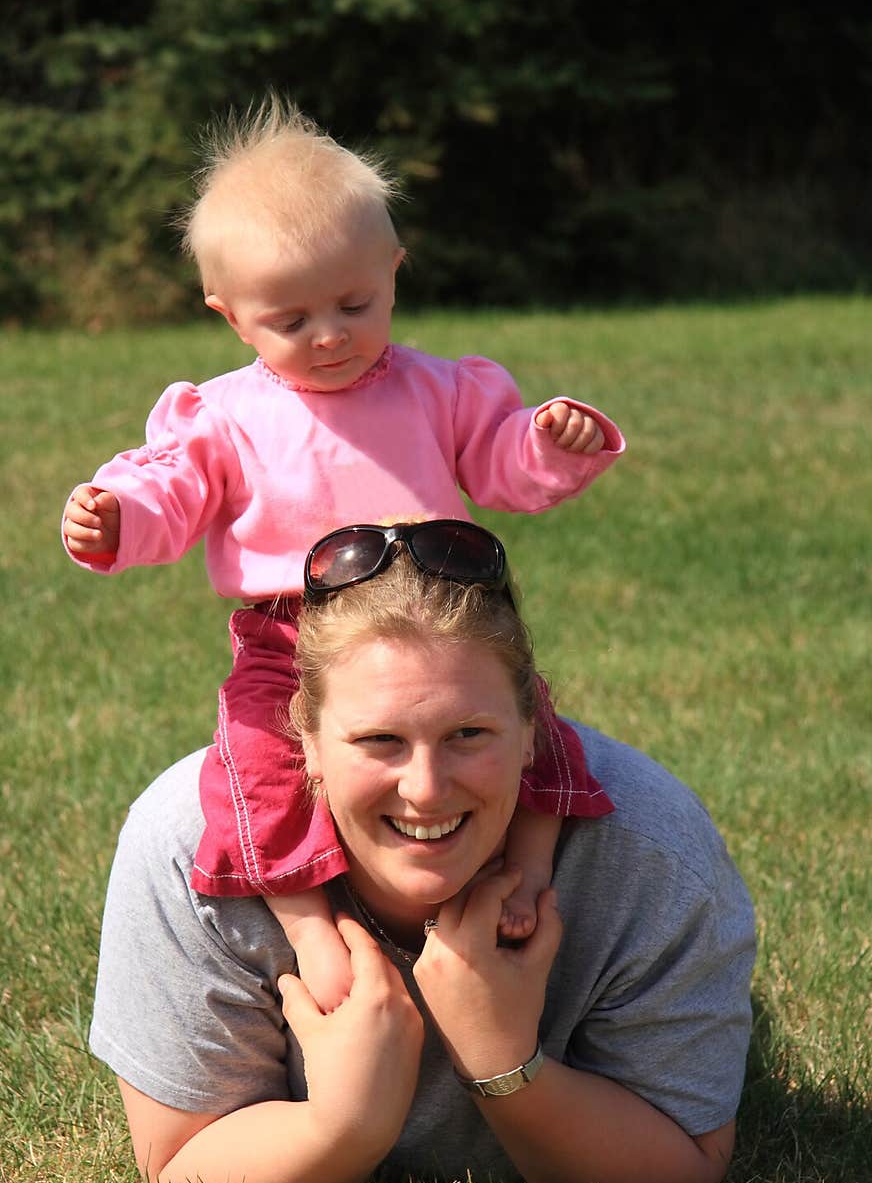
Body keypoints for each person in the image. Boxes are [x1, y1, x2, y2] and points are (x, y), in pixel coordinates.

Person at [61, 95, 625, 1013]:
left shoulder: (442, 390)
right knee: (256, 759)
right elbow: (172, 488)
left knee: (529, 725)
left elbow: (503, 464)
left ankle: (522, 871)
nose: (328, 333)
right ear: (231, 316)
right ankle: (307, 922)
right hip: (294, 630)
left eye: (355, 304)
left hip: (438, 609)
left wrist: (550, 445)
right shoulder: (226, 416)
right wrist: (119, 515)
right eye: (290, 318)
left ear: (394, 273)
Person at [89, 522, 756, 1183]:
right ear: (305, 740)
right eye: (380, 740)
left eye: (468, 735)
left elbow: (691, 1156)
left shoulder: (649, 853)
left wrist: (504, 1063)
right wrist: (342, 1126)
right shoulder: (188, 848)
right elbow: (177, 1162)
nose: (426, 788)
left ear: (534, 730)